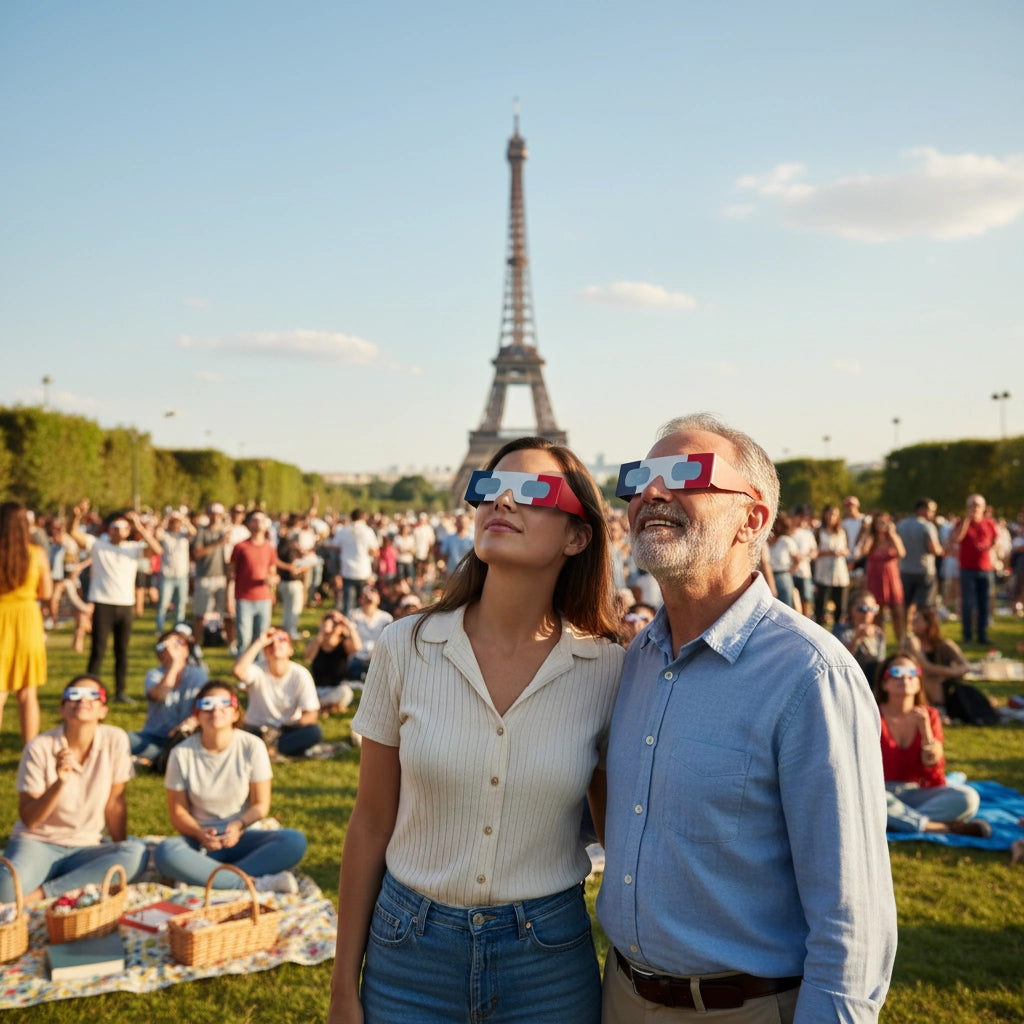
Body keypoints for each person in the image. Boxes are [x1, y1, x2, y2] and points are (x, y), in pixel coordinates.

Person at [597, 413, 896, 1024]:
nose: (652, 492)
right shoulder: (632, 664)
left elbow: (853, 915)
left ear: (753, 519)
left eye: (686, 473)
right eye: (640, 477)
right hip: (620, 996)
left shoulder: (811, 676)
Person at [327, 436, 624, 1024]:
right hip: (409, 948)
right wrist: (343, 985)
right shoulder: (404, 646)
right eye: (489, 488)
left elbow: (618, 836)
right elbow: (370, 822)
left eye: (534, 490)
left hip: (547, 959)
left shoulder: (608, 670)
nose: (503, 502)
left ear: (577, 535)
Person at [0, 677, 148, 904]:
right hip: (38, 842)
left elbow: (115, 803)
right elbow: (29, 819)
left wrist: (119, 847)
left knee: (135, 854)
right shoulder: (40, 746)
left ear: (103, 710)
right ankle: (69, 882)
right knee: (5, 890)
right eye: (73, 695)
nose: (82, 701)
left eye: (92, 695)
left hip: (86, 846)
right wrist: (59, 783)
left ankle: (41, 894)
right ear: (62, 707)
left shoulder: (115, 739)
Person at [153, 680, 307, 893]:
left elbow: (261, 805)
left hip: (242, 837)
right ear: (196, 714)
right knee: (166, 852)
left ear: (236, 714)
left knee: (294, 841)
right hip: (201, 843)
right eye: (207, 704)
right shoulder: (181, 753)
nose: (216, 710)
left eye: (225, 703)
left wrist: (238, 825)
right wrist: (199, 833)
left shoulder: (252, 746)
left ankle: (209, 878)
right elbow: (178, 811)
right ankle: (249, 884)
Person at [875, 652, 990, 838]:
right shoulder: (872, 715)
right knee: (866, 799)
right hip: (880, 791)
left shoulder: (930, 716)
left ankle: (898, 822)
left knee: (968, 798)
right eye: (897, 672)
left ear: (918, 681)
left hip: (917, 794)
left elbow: (934, 772)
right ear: (884, 682)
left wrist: (926, 731)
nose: (905, 677)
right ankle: (941, 827)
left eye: (912, 672)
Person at [71, 506, 162, 703]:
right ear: (109, 529)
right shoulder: (98, 545)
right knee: (98, 650)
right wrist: (76, 517)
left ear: (129, 531)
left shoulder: (133, 549)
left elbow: (157, 550)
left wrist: (140, 526)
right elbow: (74, 534)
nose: (119, 531)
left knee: (122, 651)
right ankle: (89, 690)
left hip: (125, 605)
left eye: (124, 527)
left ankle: (120, 691)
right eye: (115, 527)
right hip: (103, 603)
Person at [0, 501, 53, 744]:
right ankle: (30, 749)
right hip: (27, 621)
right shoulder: (36, 554)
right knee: (28, 691)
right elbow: (47, 592)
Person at [232, 628, 323, 758]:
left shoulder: (300, 674)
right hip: (256, 728)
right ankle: (272, 749)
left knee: (314, 732)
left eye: (282, 640)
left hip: (287, 729)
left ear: (290, 650)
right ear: (265, 651)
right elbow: (238, 671)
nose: (275, 645)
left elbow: (311, 714)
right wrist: (259, 642)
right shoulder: (258, 669)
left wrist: (287, 727)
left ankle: (269, 749)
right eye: (270, 643)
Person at [125, 630, 209, 764]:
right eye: (167, 647)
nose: (173, 651)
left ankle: (157, 759)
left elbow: (202, 707)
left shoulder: (198, 674)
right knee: (122, 739)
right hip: (153, 737)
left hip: (185, 738)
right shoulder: (153, 675)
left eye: (178, 644)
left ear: (186, 650)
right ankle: (163, 758)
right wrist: (174, 664)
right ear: (160, 654)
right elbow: (161, 695)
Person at [903, 607, 970, 710]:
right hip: (922, 682)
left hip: (946, 684)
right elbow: (925, 666)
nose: (912, 622)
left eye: (917, 620)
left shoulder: (944, 644)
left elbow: (965, 665)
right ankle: (939, 708)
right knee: (930, 680)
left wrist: (952, 672)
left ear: (928, 623)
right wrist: (950, 672)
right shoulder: (912, 642)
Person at [955, 493, 999, 645]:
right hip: (967, 569)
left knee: (984, 604)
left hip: (986, 568)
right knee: (968, 603)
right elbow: (957, 539)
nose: (974, 508)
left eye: (977, 505)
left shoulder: (989, 523)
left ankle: (982, 635)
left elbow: (995, 540)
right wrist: (966, 521)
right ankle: (967, 636)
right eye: (972, 505)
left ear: (983, 507)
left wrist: (987, 547)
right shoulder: (962, 523)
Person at [859, 511, 907, 642]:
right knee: (877, 614)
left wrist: (892, 533)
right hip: (875, 579)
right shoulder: (871, 540)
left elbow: (902, 553)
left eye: (885, 522)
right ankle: (880, 642)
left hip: (892, 578)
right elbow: (864, 551)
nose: (883, 525)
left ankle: (902, 641)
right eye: (880, 522)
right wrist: (869, 533)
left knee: (898, 611)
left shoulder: (893, 539)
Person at [304, 609, 361, 713]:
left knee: (345, 692)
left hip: (337, 689)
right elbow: (308, 657)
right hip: (318, 689)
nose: (332, 624)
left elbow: (357, 648)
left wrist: (348, 625)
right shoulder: (316, 643)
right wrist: (321, 635)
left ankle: (318, 706)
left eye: (336, 622)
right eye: (328, 619)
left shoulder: (344, 644)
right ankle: (329, 707)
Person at [896, 498, 942, 625]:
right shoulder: (927, 526)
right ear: (922, 509)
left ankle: (906, 630)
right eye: (931, 511)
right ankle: (922, 631)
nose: (933, 514)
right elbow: (934, 549)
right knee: (924, 606)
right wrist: (941, 549)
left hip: (905, 569)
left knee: (906, 605)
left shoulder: (901, 525)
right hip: (925, 570)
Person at [155, 508, 195, 633]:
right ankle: (160, 629)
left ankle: (178, 629)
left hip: (182, 575)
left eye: (178, 522)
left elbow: (194, 531)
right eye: (174, 522)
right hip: (167, 575)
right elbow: (157, 534)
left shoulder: (184, 535)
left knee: (180, 605)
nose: (176, 524)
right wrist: (167, 518)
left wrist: (184, 519)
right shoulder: (165, 535)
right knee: (163, 605)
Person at [835, 589, 888, 685]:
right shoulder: (841, 630)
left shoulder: (878, 633)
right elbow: (838, 662)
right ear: (852, 609)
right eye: (863, 609)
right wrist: (856, 639)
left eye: (872, 609)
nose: (867, 614)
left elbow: (881, 665)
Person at [812, 503, 850, 626]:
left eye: (835, 515)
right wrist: (829, 552)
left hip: (839, 574)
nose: (832, 517)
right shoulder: (818, 532)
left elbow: (847, 549)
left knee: (839, 605)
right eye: (830, 514)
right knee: (821, 604)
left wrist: (843, 552)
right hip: (823, 574)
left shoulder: (841, 532)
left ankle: (838, 630)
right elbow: (813, 552)